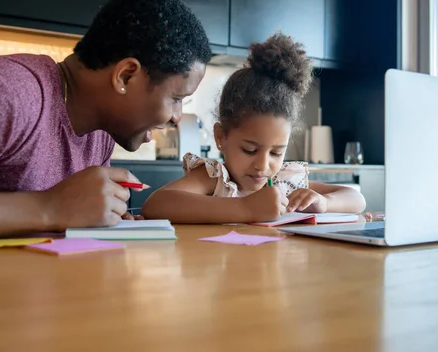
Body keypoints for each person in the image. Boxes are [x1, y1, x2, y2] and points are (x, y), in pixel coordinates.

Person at [0, 0, 212, 242]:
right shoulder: (3, 92)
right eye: (177, 99)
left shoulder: (102, 131)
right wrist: (49, 207)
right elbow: (54, 212)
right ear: (126, 76)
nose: (177, 117)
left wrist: (102, 218)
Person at [143, 33, 366, 224]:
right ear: (221, 137)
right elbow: (156, 205)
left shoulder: (285, 182)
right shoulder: (215, 179)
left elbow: (357, 200)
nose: (263, 165)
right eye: (250, 150)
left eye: (277, 152)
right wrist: (246, 209)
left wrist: (324, 202)